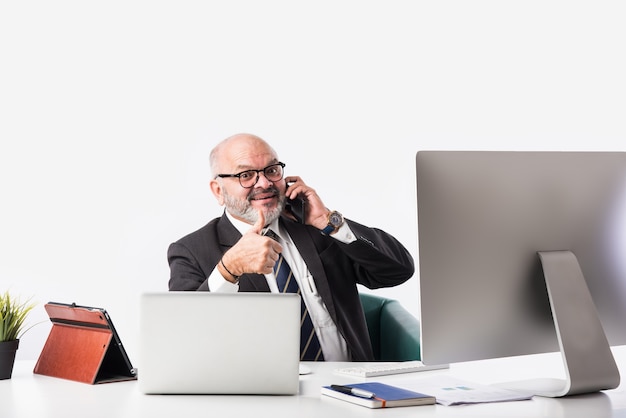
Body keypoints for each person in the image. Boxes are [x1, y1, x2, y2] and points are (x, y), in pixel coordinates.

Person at [167, 133, 414, 361]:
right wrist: (227, 270)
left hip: (350, 391)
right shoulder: (191, 251)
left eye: (271, 170)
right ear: (218, 190)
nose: (264, 183)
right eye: (246, 175)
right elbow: (183, 339)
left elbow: (398, 270)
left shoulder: (318, 228)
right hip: (262, 402)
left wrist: (329, 222)